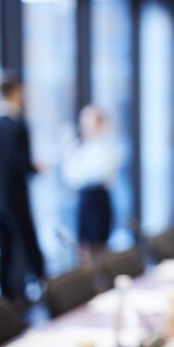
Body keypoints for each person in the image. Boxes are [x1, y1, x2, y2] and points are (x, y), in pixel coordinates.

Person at [0, 70, 45, 305]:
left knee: (4, 248)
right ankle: (46, 291)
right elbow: (22, 166)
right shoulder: (18, 127)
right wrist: (36, 168)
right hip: (15, 196)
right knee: (29, 244)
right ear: (17, 92)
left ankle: (7, 301)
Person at [63, 104, 121, 270]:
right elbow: (71, 176)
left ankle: (102, 281)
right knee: (84, 245)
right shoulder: (77, 147)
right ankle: (87, 283)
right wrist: (84, 172)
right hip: (83, 199)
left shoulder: (109, 146)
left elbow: (100, 173)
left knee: (100, 244)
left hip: (100, 197)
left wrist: (83, 171)